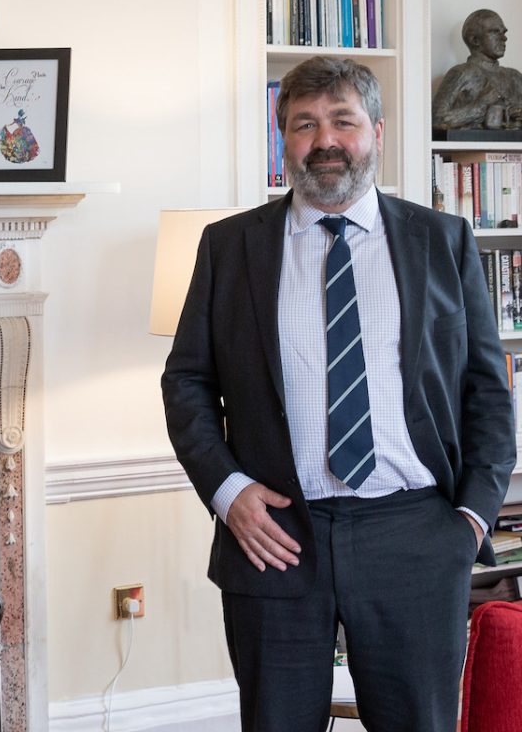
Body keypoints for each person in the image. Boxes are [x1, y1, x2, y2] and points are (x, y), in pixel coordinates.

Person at [162, 56, 515, 732]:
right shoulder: (229, 247)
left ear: (376, 131)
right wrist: (228, 491)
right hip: (276, 536)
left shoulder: (443, 241)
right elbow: (187, 383)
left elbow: (487, 390)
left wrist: (471, 517)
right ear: (284, 139)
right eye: (304, 125)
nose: (325, 140)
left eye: (343, 121)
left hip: (415, 531)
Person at [432, 8, 522, 130]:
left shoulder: (515, 77)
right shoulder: (461, 73)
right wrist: (480, 105)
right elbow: (437, 119)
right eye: (495, 32)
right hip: (469, 147)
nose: (504, 38)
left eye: (503, 32)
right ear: (475, 40)